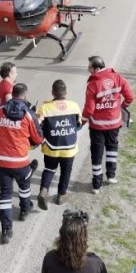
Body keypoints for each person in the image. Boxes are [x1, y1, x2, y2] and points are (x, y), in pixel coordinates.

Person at [0, 83, 44, 244]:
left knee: (5, 194)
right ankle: (24, 209)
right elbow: (38, 138)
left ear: (11, 94)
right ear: (25, 96)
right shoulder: (28, 115)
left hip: (0, 161)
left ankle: (6, 230)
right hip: (19, 161)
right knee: (24, 184)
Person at [82, 56, 135, 194]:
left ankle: (96, 185)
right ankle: (111, 175)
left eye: (90, 68)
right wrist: (122, 106)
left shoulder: (93, 85)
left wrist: (82, 121)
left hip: (97, 127)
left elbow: (89, 109)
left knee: (97, 154)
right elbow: (130, 96)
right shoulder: (117, 78)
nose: (88, 70)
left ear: (97, 69)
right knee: (112, 149)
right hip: (114, 124)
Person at [37, 79, 82, 208]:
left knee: (49, 169)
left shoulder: (45, 107)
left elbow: (38, 126)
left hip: (51, 147)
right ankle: (61, 195)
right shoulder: (74, 106)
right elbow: (78, 124)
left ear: (52, 92)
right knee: (66, 172)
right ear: (66, 92)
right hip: (69, 147)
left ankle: (43, 190)